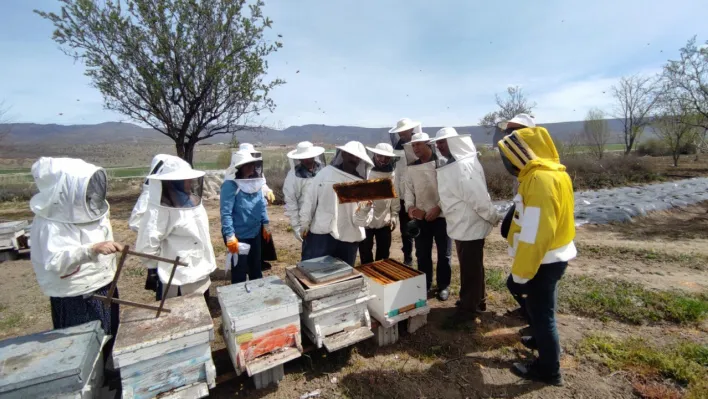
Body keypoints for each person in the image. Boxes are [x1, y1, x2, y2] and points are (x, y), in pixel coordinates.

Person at [498, 125, 576, 386]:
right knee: (542, 310)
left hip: (543, 259)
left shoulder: (540, 180)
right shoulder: (553, 173)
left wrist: (521, 272)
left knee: (543, 314)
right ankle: (543, 340)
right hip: (552, 256)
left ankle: (549, 370)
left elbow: (535, 234)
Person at [29, 157, 123, 339]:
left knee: (111, 336)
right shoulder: (51, 224)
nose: (90, 190)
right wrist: (91, 249)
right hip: (78, 296)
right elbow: (55, 261)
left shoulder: (92, 209)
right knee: (85, 344)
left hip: (104, 284)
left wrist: (108, 246)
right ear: (66, 188)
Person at [433, 128, 501, 325]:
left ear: (454, 142)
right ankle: (479, 301)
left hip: (470, 226)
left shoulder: (463, 166)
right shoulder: (457, 165)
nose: (439, 146)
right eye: (438, 143)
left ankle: (467, 312)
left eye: (443, 142)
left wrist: (493, 217)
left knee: (470, 269)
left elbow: (478, 198)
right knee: (473, 266)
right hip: (464, 225)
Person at [136, 157, 216, 300]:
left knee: (202, 313)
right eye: (184, 179)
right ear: (173, 182)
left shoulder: (192, 200)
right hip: (178, 277)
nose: (189, 182)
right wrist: (159, 266)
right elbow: (146, 247)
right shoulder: (160, 208)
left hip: (200, 269)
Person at [299, 141, 374, 266]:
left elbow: (360, 222)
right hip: (322, 234)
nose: (353, 159)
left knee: (342, 279)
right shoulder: (325, 173)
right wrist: (304, 222)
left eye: (357, 157)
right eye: (350, 155)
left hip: (349, 237)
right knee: (314, 273)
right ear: (343, 154)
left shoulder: (363, 185)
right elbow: (310, 199)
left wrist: (365, 210)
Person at [404, 132, 452, 301]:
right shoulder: (411, 167)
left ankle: (443, 286)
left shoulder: (443, 164)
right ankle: (424, 285)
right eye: (413, 145)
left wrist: (438, 208)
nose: (415, 148)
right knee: (422, 254)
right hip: (420, 217)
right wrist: (410, 207)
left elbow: (450, 190)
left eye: (419, 144)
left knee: (444, 254)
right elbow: (408, 190)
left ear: (428, 144)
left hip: (442, 217)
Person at [128, 154, 176, 296]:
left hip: (172, 248)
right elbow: (135, 222)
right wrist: (154, 231)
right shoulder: (149, 193)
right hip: (158, 248)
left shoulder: (170, 191)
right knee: (164, 284)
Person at [221, 150, 271, 283]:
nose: (252, 168)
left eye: (253, 165)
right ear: (239, 167)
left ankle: (257, 297)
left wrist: (265, 222)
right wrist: (230, 235)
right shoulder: (230, 186)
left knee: (256, 268)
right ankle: (238, 299)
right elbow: (226, 213)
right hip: (238, 236)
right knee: (239, 271)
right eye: (248, 165)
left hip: (255, 233)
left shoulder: (256, 182)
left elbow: (261, 204)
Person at [236, 143, 277, 270]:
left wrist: (268, 191)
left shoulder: (256, 170)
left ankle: (259, 261)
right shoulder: (233, 174)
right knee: (245, 241)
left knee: (260, 237)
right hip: (243, 214)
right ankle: (246, 265)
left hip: (258, 211)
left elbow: (261, 184)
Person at [358, 143, 400, 265]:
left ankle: (381, 279)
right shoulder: (365, 171)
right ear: (374, 155)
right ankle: (368, 277)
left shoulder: (392, 173)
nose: (383, 160)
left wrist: (394, 215)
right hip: (366, 219)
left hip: (384, 219)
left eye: (386, 158)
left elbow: (394, 194)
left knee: (383, 254)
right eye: (380, 156)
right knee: (365, 252)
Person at [389, 118, 420, 266]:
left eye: (403, 130)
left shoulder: (419, 142)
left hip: (419, 195)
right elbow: (397, 173)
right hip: (402, 194)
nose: (401, 133)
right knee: (405, 229)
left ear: (410, 130)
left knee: (419, 228)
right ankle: (408, 258)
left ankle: (421, 259)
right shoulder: (397, 147)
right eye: (399, 131)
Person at [283, 141, 326, 250]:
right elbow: (291, 202)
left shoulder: (324, 171)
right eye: (304, 158)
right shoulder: (292, 177)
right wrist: (296, 226)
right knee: (310, 254)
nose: (308, 160)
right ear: (300, 159)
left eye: (309, 157)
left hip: (326, 217)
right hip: (307, 220)